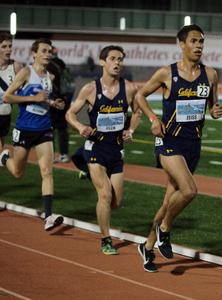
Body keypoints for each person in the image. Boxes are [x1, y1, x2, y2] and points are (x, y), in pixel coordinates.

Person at [134, 24, 222, 271]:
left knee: (168, 201)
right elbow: (140, 95)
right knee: (189, 190)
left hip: (193, 142)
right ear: (181, 44)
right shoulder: (166, 73)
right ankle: (165, 230)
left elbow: (212, 108)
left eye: (201, 42)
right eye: (193, 41)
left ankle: (147, 247)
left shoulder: (212, 74)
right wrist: (153, 119)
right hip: (169, 140)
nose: (198, 46)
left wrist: (215, 111)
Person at [65, 45, 139, 255]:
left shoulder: (130, 88)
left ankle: (86, 171)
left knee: (115, 202)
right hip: (95, 147)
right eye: (113, 58)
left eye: (120, 59)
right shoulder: (90, 89)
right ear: (102, 62)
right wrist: (80, 127)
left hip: (116, 150)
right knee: (105, 196)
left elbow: (137, 112)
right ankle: (106, 239)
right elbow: (70, 114)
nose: (117, 63)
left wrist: (130, 129)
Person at [0, 38, 64, 231]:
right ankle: (5, 158)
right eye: (43, 51)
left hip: (44, 129)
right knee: (18, 173)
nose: (47, 54)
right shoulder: (26, 72)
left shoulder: (50, 77)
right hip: (24, 129)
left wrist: (53, 103)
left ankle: (49, 216)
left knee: (47, 171)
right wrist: (33, 98)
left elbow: (44, 98)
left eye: (49, 51)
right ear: (34, 54)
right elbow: (7, 96)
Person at [47, 46, 74, 163]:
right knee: (62, 128)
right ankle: (64, 154)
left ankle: (51, 155)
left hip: (54, 99)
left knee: (50, 128)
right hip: (65, 98)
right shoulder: (61, 63)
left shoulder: (48, 65)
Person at [0, 32, 23, 151]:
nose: (8, 50)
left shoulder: (16, 66)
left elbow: (27, 86)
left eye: (10, 46)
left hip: (5, 115)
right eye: (4, 46)